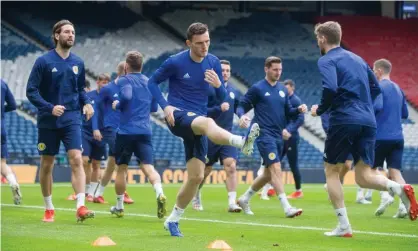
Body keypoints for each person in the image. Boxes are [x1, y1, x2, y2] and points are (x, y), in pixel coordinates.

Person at [148, 22, 260, 237]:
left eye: (207, 41)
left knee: (196, 177)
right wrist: (165, 106)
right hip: (178, 116)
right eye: (199, 43)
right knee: (209, 124)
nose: (205, 46)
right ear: (188, 43)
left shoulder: (213, 62)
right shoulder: (176, 62)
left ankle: (173, 220)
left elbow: (224, 100)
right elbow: (152, 82)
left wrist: (219, 86)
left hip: (197, 122)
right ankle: (241, 141)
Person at [310, 21, 417, 237]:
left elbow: (330, 88)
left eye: (317, 38)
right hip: (368, 121)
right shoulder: (358, 59)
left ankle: (344, 226)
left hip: (344, 119)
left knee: (331, 170)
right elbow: (376, 88)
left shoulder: (326, 60)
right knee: (363, 176)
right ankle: (397, 188)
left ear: (322, 38)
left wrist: (320, 110)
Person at [26, 19, 95, 223]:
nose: (71, 35)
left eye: (73, 32)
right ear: (57, 36)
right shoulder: (43, 61)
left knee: (76, 158)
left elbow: (80, 89)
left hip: (72, 118)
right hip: (48, 120)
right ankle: (49, 208)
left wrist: (88, 103)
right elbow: (31, 91)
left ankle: (81, 206)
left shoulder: (78, 63)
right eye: (66, 32)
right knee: (47, 164)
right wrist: (49, 107)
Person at [236, 56, 307, 217]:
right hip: (264, 135)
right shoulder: (258, 88)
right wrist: (241, 116)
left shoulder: (282, 89)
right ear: (266, 69)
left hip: (278, 136)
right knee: (276, 168)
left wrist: (298, 110)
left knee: (268, 173)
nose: (278, 72)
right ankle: (287, 207)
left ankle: (245, 198)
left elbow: (288, 110)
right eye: (275, 69)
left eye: (280, 69)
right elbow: (242, 105)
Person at [110, 51, 166, 219]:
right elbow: (155, 108)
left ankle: (119, 207)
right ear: (141, 66)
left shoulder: (124, 79)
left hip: (126, 132)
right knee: (148, 167)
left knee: (121, 169)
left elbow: (126, 96)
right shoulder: (150, 83)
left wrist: (118, 105)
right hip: (144, 131)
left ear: (126, 66)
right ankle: (159, 193)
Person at [191, 60, 242, 212]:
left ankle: (232, 202)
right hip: (209, 136)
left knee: (231, 166)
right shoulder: (206, 89)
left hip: (227, 135)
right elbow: (201, 112)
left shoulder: (233, 91)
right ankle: (197, 194)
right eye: (223, 70)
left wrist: (242, 116)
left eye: (228, 70)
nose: (225, 73)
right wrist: (218, 109)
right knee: (204, 171)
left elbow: (238, 108)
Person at [372, 58, 409, 219]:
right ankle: (403, 205)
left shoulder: (379, 87)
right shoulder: (398, 88)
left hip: (380, 136)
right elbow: (405, 114)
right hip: (398, 137)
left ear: (379, 71)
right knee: (395, 172)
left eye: (374, 70)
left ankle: (385, 196)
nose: (373, 73)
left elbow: (377, 107)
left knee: (372, 170)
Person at [93, 62, 134, 204]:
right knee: (121, 162)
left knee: (111, 164)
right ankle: (123, 195)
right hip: (111, 128)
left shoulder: (129, 88)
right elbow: (96, 108)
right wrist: (96, 128)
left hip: (124, 128)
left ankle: (98, 194)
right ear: (124, 71)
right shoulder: (109, 89)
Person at [321, 111, 372, 205]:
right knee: (335, 166)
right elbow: (325, 123)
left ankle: (333, 186)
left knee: (348, 165)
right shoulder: (328, 106)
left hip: (348, 136)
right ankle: (334, 190)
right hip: (335, 138)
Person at [82, 74, 110, 201]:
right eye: (102, 82)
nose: (104, 85)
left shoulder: (109, 98)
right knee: (84, 160)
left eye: (106, 83)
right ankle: (85, 190)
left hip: (101, 135)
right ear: (97, 82)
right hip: (86, 132)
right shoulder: (89, 96)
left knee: (96, 164)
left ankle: (92, 193)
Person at [282, 79, 305, 199]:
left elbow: (300, 119)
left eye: (287, 87)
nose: (285, 90)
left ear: (292, 88)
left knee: (293, 164)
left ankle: (298, 190)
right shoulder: (284, 99)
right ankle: (270, 188)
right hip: (281, 135)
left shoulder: (296, 101)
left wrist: (289, 130)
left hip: (291, 137)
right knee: (274, 163)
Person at [1, 80, 22, 205]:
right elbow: (13, 105)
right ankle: (13, 182)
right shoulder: (3, 84)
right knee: (2, 163)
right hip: (1, 129)